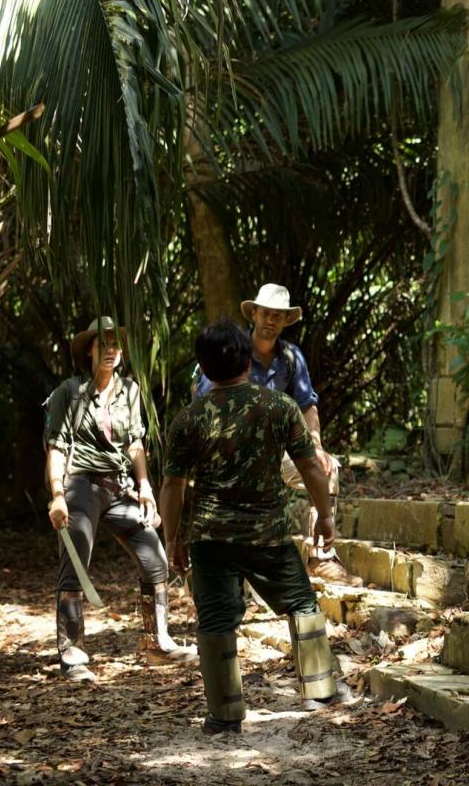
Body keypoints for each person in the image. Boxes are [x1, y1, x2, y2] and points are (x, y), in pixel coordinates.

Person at [161, 320, 352, 734]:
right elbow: (311, 468)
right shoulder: (279, 407)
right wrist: (326, 515)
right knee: (301, 605)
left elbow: (173, 486)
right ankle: (320, 691)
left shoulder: (189, 419)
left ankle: (224, 715)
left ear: (203, 367)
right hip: (269, 533)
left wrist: (172, 538)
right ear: (248, 359)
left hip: (210, 537)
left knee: (215, 620)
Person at [45, 316, 195, 681]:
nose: (111, 349)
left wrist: (145, 487)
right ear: (90, 350)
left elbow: (135, 444)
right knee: (76, 553)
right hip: (80, 483)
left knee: (153, 555)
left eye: (116, 343)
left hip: (119, 486)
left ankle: (156, 641)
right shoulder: (70, 391)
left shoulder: (130, 391)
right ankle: (73, 652)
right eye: (104, 343)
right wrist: (58, 495)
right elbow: (56, 446)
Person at [194, 283, 361, 586]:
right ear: (254, 314)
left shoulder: (291, 357)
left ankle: (321, 557)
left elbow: (308, 405)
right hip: (232, 455)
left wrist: (316, 445)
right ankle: (224, 573)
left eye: (278, 316)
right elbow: (207, 402)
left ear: (286, 321)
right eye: (266, 313)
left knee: (327, 469)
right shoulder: (234, 350)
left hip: (277, 451)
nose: (271, 320)